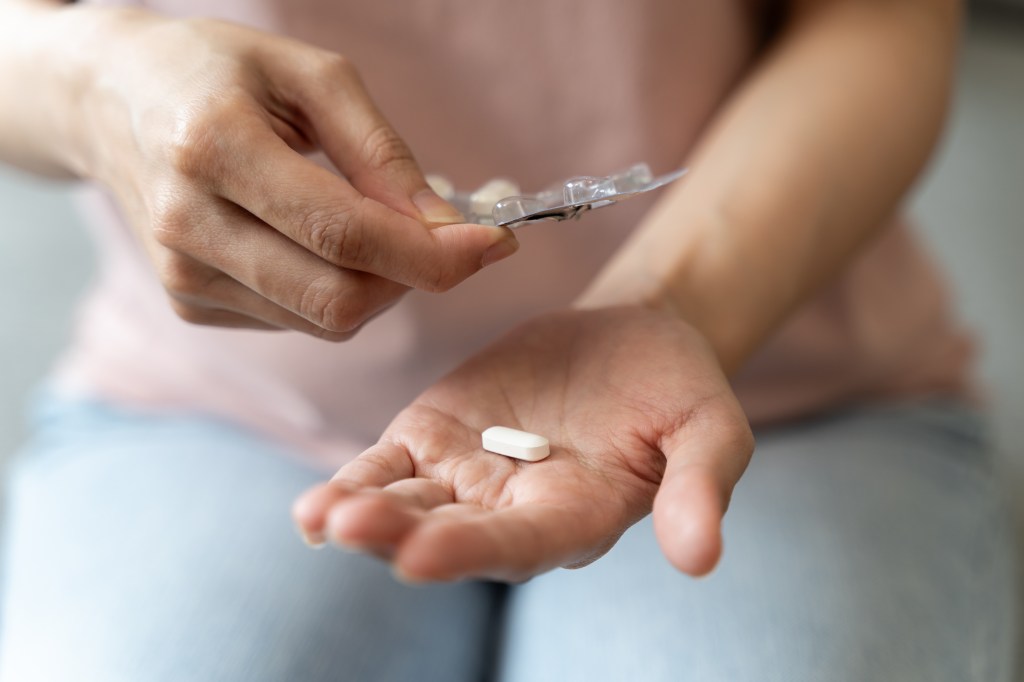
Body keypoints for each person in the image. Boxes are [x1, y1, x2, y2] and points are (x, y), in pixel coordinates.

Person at [0, 0, 1017, 680]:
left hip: (777, 395)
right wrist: (96, 86)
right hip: (219, 405)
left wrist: (669, 306)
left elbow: (880, 23)